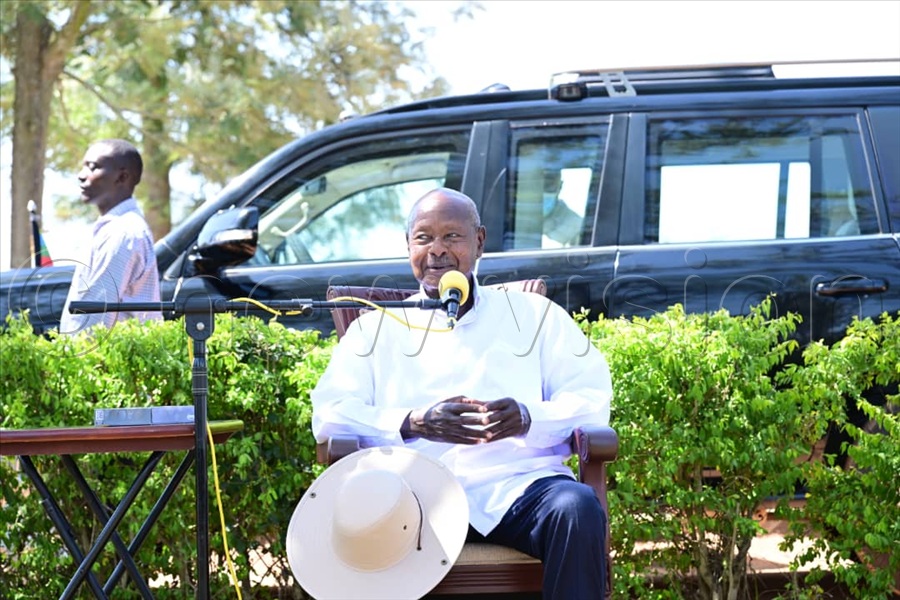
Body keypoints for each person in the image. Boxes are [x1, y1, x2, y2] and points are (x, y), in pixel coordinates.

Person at [311, 187, 613, 599]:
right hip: (412, 498)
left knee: (576, 508)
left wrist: (528, 418)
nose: (437, 250)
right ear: (408, 246)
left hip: (517, 488)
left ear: (479, 241)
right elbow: (330, 415)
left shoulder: (535, 315)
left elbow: (591, 401)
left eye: (452, 236)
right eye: (424, 238)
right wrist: (411, 423)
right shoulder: (374, 328)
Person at [59, 139, 161, 333]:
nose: (81, 175)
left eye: (93, 167)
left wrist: (74, 352)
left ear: (122, 177)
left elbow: (96, 321)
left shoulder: (123, 233)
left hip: (103, 353)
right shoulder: (116, 228)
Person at [541, 169, 584, 248]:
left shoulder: (577, 228)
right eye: (534, 186)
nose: (541, 192)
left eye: (548, 185)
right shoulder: (517, 220)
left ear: (560, 186)